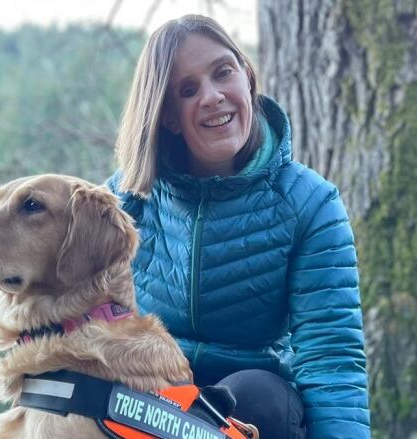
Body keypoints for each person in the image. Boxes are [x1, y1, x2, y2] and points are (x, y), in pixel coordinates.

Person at [106, 14, 370, 439]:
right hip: (148, 393)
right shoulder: (127, 198)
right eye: (188, 90)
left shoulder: (310, 204)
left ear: (247, 77)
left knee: (257, 396)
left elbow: (330, 355)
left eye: (222, 73)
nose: (211, 97)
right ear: (169, 116)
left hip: (249, 406)